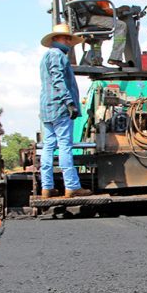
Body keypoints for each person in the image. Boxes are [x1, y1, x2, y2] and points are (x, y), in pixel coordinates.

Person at [39, 23, 91, 198]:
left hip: (47, 109)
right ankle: (72, 186)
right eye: (65, 37)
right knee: (64, 146)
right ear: (55, 39)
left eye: (69, 38)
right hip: (60, 107)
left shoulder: (47, 56)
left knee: (48, 146)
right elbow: (58, 79)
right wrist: (69, 102)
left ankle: (47, 187)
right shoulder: (57, 55)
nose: (69, 41)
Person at [83, 0, 133, 68]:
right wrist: (118, 10)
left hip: (85, 17)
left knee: (97, 37)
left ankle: (96, 59)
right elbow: (105, 11)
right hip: (91, 17)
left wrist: (113, 12)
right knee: (121, 25)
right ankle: (115, 58)